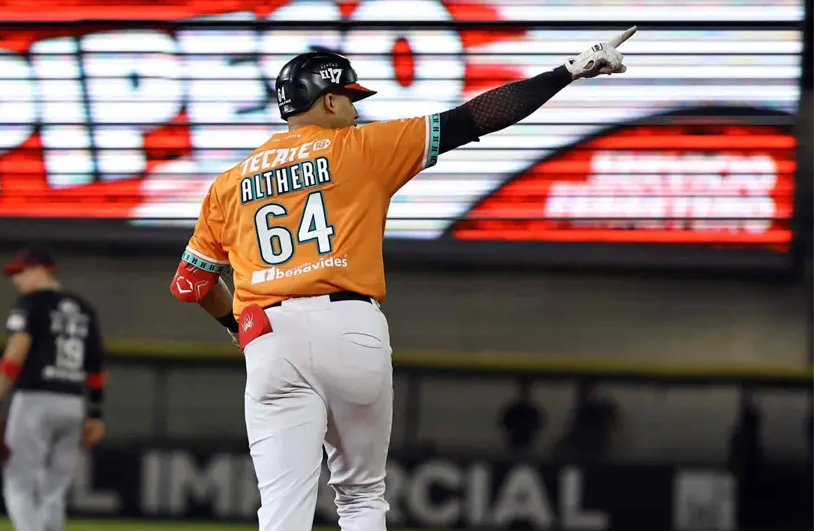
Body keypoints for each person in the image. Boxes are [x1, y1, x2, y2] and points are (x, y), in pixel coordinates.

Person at [170, 28, 636, 531]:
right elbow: (477, 117)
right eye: (348, 97)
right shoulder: (363, 147)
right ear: (326, 101)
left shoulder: (229, 183)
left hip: (269, 336)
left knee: (282, 509)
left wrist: (236, 327)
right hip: (351, 326)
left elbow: (190, 284)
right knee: (362, 495)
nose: (355, 107)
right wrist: (565, 72)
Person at [0, 245, 107, 531]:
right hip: (73, 404)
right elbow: (95, 368)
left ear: (41, 269)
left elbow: (15, 354)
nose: (16, 280)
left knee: (18, 486)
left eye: (20, 272)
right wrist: (95, 414)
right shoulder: (85, 309)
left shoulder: (30, 303)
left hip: (35, 400)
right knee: (53, 492)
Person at [499, 379, 544, 456]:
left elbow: (539, 425)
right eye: (523, 390)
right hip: (515, 444)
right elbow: (503, 424)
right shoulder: (513, 409)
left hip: (527, 444)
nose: (525, 393)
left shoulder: (533, 411)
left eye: (526, 390)